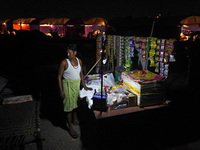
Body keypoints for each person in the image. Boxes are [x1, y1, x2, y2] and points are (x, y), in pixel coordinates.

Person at [58, 43, 92, 138]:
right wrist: (61, 90)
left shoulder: (79, 61)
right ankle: (70, 126)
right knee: (68, 106)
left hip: (76, 84)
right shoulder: (64, 62)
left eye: (70, 53)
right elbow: (59, 76)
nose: (68, 55)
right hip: (68, 85)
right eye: (67, 53)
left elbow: (81, 73)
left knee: (76, 102)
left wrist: (84, 85)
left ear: (75, 53)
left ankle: (75, 118)